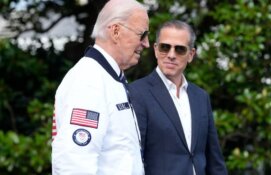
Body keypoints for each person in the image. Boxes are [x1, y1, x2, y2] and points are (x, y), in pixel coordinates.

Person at [51, 0, 149, 174]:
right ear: (116, 31)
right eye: (142, 34)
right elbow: (74, 163)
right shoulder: (89, 81)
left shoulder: (109, 77)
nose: (146, 43)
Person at [128, 20, 227, 175]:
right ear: (155, 49)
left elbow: (213, 157)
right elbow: (133, 157)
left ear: (191, 54)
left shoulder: (200, 96)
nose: (171, 55)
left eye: (180, 49)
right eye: (165, 47)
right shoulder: (136, 93)